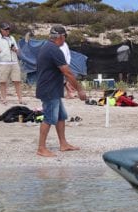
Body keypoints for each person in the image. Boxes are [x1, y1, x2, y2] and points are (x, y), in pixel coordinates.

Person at [35, 25, 87, 157]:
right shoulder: (54, 50)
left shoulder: (47, 47)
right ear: (61, 36)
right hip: (49, 89)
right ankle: (41, 148)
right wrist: (79, 90)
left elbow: (51, 70)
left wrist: (64, 84)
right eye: (65, 36)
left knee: (61, 116)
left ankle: (63, 144)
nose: (65, 39)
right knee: (49, 117)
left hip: (52, 87)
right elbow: (67, 72)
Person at [0, 22, 24, 105]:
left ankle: (20, 99)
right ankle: (4, 99)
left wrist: (15, 49)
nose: (7, 31)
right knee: (3, 82)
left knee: (17, 81)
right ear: (1, 30)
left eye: (8, 29)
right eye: (5, 29)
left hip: (14, 62)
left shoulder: (12, 38)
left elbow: (17, 51)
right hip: (3, 63)